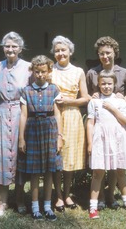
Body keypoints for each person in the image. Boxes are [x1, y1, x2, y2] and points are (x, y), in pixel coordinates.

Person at [86, 36, 126, 210]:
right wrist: (92, 97)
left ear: (115, 52)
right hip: (101, 120)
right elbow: (89, 95)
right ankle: (98, 199)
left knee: (117, 161)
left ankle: (110, 196)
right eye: (101, 54)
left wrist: (122, 98)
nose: (105, 56)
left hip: (118, 121)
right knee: (102, 161)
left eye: (108, 53)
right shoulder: (92, 73)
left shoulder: (124, 72)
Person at [0, 31, 32, 216]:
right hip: (0, 114)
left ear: (20, 49)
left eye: (14, 46)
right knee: (0, 157)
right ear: (3, 48)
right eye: (7, 46)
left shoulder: (29, 67)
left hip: (20, 114)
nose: (10, 49)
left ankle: (20, 198)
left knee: (19, 156)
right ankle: (2, 201)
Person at [17, 55, 63, 221]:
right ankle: (35, 207)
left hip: (50, 130)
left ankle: (47, 206)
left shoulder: (54, 89)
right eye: (37, 71)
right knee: (35, 171)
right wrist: (21, 138)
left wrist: (59, 136)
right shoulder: (26, 91)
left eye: (44, 72)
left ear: (49, 71)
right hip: (32, 131)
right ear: (33, 71)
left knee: (49, 170)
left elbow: (58, 114)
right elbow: (23, 115)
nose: (40, 75)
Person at [50, 35, 90, 212]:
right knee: (56, 156)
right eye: (57, 50)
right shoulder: (50, 70)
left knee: (69, 158)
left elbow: (86, 98)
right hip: (54, 115)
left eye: (63, 50)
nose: (60, 53)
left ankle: (67, 194)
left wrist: (69, 101)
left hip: (73, 116)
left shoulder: (79, 71)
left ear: (70, 51)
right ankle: (57, 195)